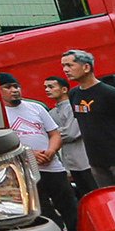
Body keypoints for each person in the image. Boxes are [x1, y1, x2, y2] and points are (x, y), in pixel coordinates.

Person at [0, 72, 76, 231]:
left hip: (53, 166)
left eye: (16, 86)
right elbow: (1, 144)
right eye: (8, 87)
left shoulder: (36, 108)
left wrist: (51, 151)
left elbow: (55, 134)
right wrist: (29, 154)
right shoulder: (0, 113)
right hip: (27, 170)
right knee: (42, 208)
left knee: (68, 203)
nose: (14, 90)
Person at [61, 48, 115, 189]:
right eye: (63, 66)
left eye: (70, 65)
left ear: (86, 67)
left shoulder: (110, 94)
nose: (65, 70)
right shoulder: (73, 95)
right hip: (97, 162)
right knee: (111, 203)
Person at [44, 74, 96, 202]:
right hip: (70, 163)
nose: (47, 90)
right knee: (84, 195)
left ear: (64, 89)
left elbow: (72, 132)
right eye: (45, 87)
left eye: (51, 86)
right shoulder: (51, 112)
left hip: (85, 161)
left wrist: (54, 136)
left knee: (94, 192)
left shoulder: (76, 106)